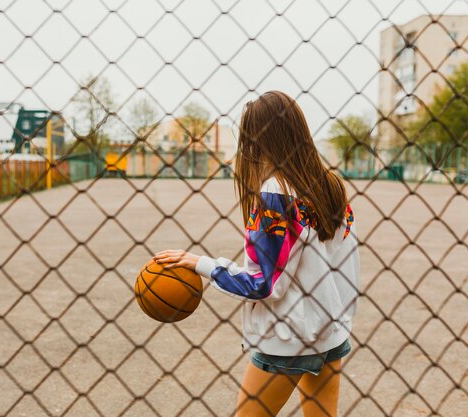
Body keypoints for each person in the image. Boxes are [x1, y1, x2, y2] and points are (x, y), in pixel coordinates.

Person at [153, 91, 360, 417]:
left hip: (286, 339)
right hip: (330, 333)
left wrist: (202, 264)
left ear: (258, 140)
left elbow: (263, 283)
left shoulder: (274, 194)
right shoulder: (329, 184)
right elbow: (345, 262)